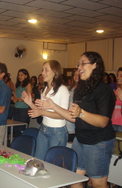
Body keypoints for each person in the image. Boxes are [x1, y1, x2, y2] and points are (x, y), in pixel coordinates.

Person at [37, 52, 116, 188]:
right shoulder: (82, 88)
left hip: (98, 142)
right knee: (73, 180)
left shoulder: (104, 90)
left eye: (83, 63)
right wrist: (53, 106)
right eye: (78, 64)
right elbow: (73, 117)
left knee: (98, 183)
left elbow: (103, 121)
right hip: (80, 140)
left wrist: (81, 113)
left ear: (95, 65)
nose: (79, 67)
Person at [22, 60, 69, 160]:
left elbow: (63, 115)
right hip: (44, 128)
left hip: (57, 131)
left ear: (55, 72)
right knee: (38, 159)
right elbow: (42, 113)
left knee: (53, 163)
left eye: (46, 70)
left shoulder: (62, 89)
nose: (43, 73)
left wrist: (41, 112)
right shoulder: (44, 89)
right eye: (42, 70)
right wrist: (30, 103)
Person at [12, 69, 32, 136]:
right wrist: (13, 98)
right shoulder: (18, 85)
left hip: (23, 109)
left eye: (22, 75)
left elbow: (29, 98)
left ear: (26, 76)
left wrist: (19, 100)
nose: (20, 76)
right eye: (19, 75)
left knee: (21, 129)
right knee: (16, 128)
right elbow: (15, 95)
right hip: (16, 108)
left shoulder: (28, 85)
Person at [112, 67, 122, 132]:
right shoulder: (114, 92)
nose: (118, 78)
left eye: (121, 76)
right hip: (113, 123)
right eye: (117, 75)